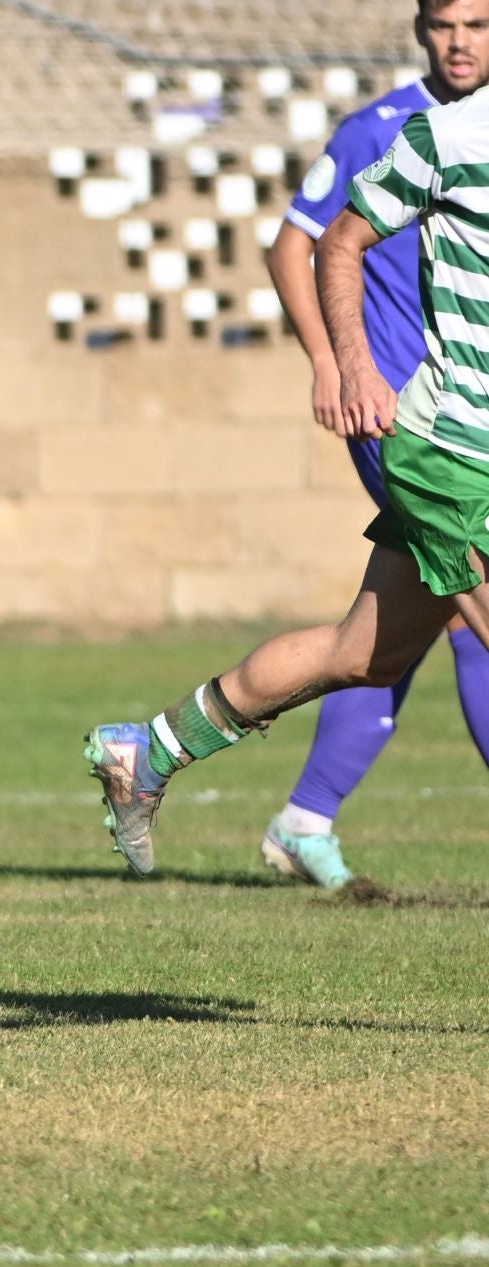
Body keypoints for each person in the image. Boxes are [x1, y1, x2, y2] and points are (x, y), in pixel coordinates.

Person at [85, 82, 489, 877]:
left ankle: (149, 751)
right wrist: (353, 366)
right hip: (453, 455)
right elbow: (335, 243)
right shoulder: (448, 136)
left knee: (362, 655)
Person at [259, 0, 489, 889]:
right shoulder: (384, 127)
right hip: (401, 413)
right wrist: (332, 362)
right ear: (421, 30)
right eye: (445, 24)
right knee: (464, 616)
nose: (459, 41)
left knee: (392, 631)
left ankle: (302, 814)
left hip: (468, 415)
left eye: (477, 24)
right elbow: (298, 245)